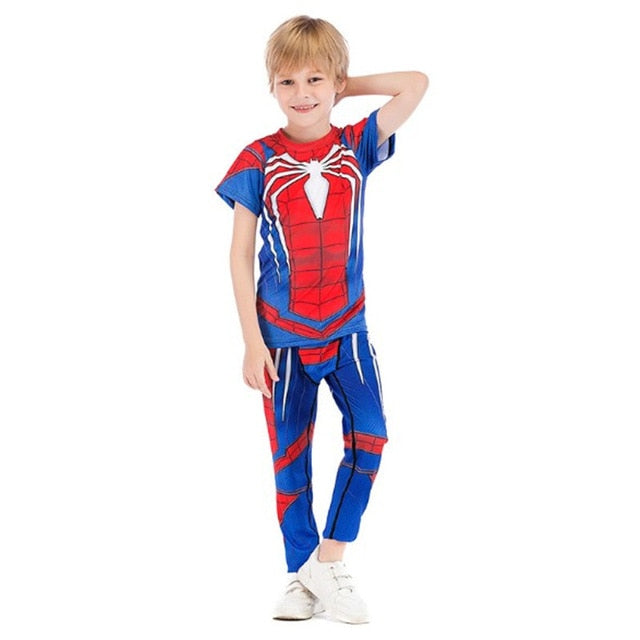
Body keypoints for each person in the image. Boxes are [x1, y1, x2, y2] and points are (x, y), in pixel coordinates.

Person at [215, 15, 428, 624]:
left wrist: (340, 84)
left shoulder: (355, 146)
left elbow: (415, 83)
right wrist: (250, 341)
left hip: (348, 326)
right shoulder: (257, 159)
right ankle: (299, 576)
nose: (301, 93)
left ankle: (327, 561)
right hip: (279, 336)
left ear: (334, 81)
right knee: (290, 457)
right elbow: (239, 254)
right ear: (271, 87)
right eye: (287, 81)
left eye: (314, 79)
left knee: (371, 435)